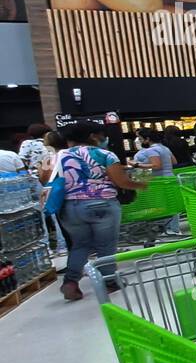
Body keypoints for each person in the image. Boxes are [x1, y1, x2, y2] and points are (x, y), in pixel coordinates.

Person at [57, 119, 146, 301]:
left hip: (68, 207)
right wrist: (140, 184)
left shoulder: (60, 156)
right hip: (101, 203)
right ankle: (109, 281)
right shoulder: (104, 154)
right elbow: (120, 181)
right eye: (102, 135)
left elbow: (45, 178)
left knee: (80, 244)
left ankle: (70, 282)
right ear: (93, 136)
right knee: (105, 245)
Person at [134, 127, 181, 234]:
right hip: (171, 179)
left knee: (163, 206)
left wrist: (137, 164)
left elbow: (156, 165)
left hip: (161, 181)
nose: (140, 141)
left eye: (141, 139)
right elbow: (174, 162)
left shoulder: (151, 150)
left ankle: (168, 229)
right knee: (173, 205)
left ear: (147, 139)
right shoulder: (164, 148)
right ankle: (174, 228)